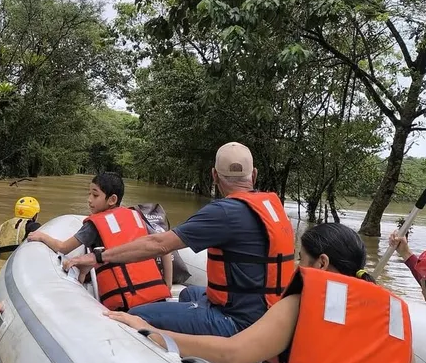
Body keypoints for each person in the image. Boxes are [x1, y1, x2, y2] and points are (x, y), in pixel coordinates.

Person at [108, 223, 417, 363]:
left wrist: (150, 332)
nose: (299, 267)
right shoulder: (397, 322)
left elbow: (232, 354)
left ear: (321, 263)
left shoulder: (304, 304)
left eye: (302, 259)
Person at [63, 142, 296, 340]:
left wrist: (97, 256)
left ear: (214, 176)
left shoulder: (223, 213)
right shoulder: (272, 207)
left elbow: (159, 244)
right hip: (267, 313)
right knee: (187, 295)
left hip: (236, 321)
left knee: (135, 315)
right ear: (253, 174)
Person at [27, 172, 173, 311]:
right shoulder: (136, 217)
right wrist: (168, 284)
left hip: (126, 307)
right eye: (89, 194)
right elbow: (165, 248)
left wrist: (41, 236)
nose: (89, 199)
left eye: (95, 195)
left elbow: (63, 247)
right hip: (158, 297)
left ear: (112, 199)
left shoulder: (93, 226)